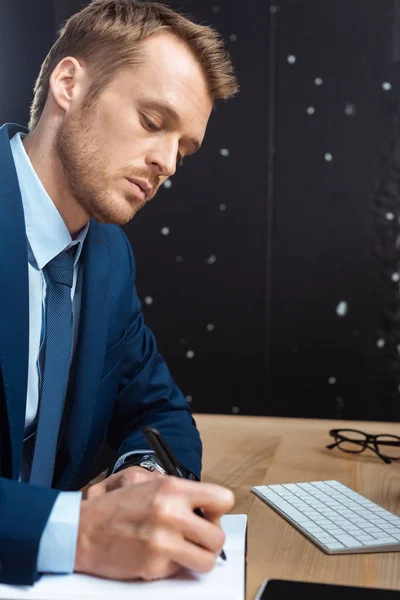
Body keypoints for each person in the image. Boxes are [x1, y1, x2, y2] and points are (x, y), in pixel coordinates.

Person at [0, 0, 239, 587]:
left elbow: (161, 412)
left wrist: (144, 472)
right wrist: (74, 530)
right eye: (154, 122)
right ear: (69, 84)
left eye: (181, 149)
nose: (167, 165)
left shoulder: (107, 258)